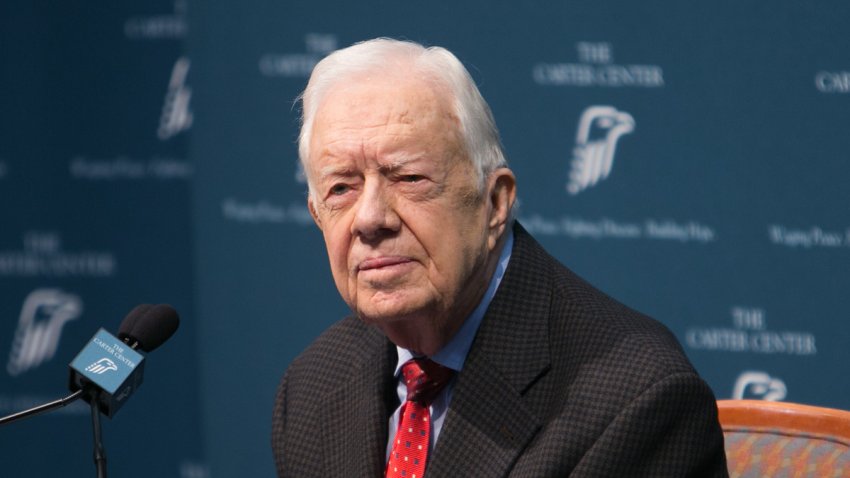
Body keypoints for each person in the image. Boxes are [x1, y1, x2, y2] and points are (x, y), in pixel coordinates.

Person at [272, 38, 728, 477]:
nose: (370, 219)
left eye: (409, 178)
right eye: (341, 189)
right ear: (318, 216)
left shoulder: (635, 400)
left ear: (494, 203)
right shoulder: (312, 386)